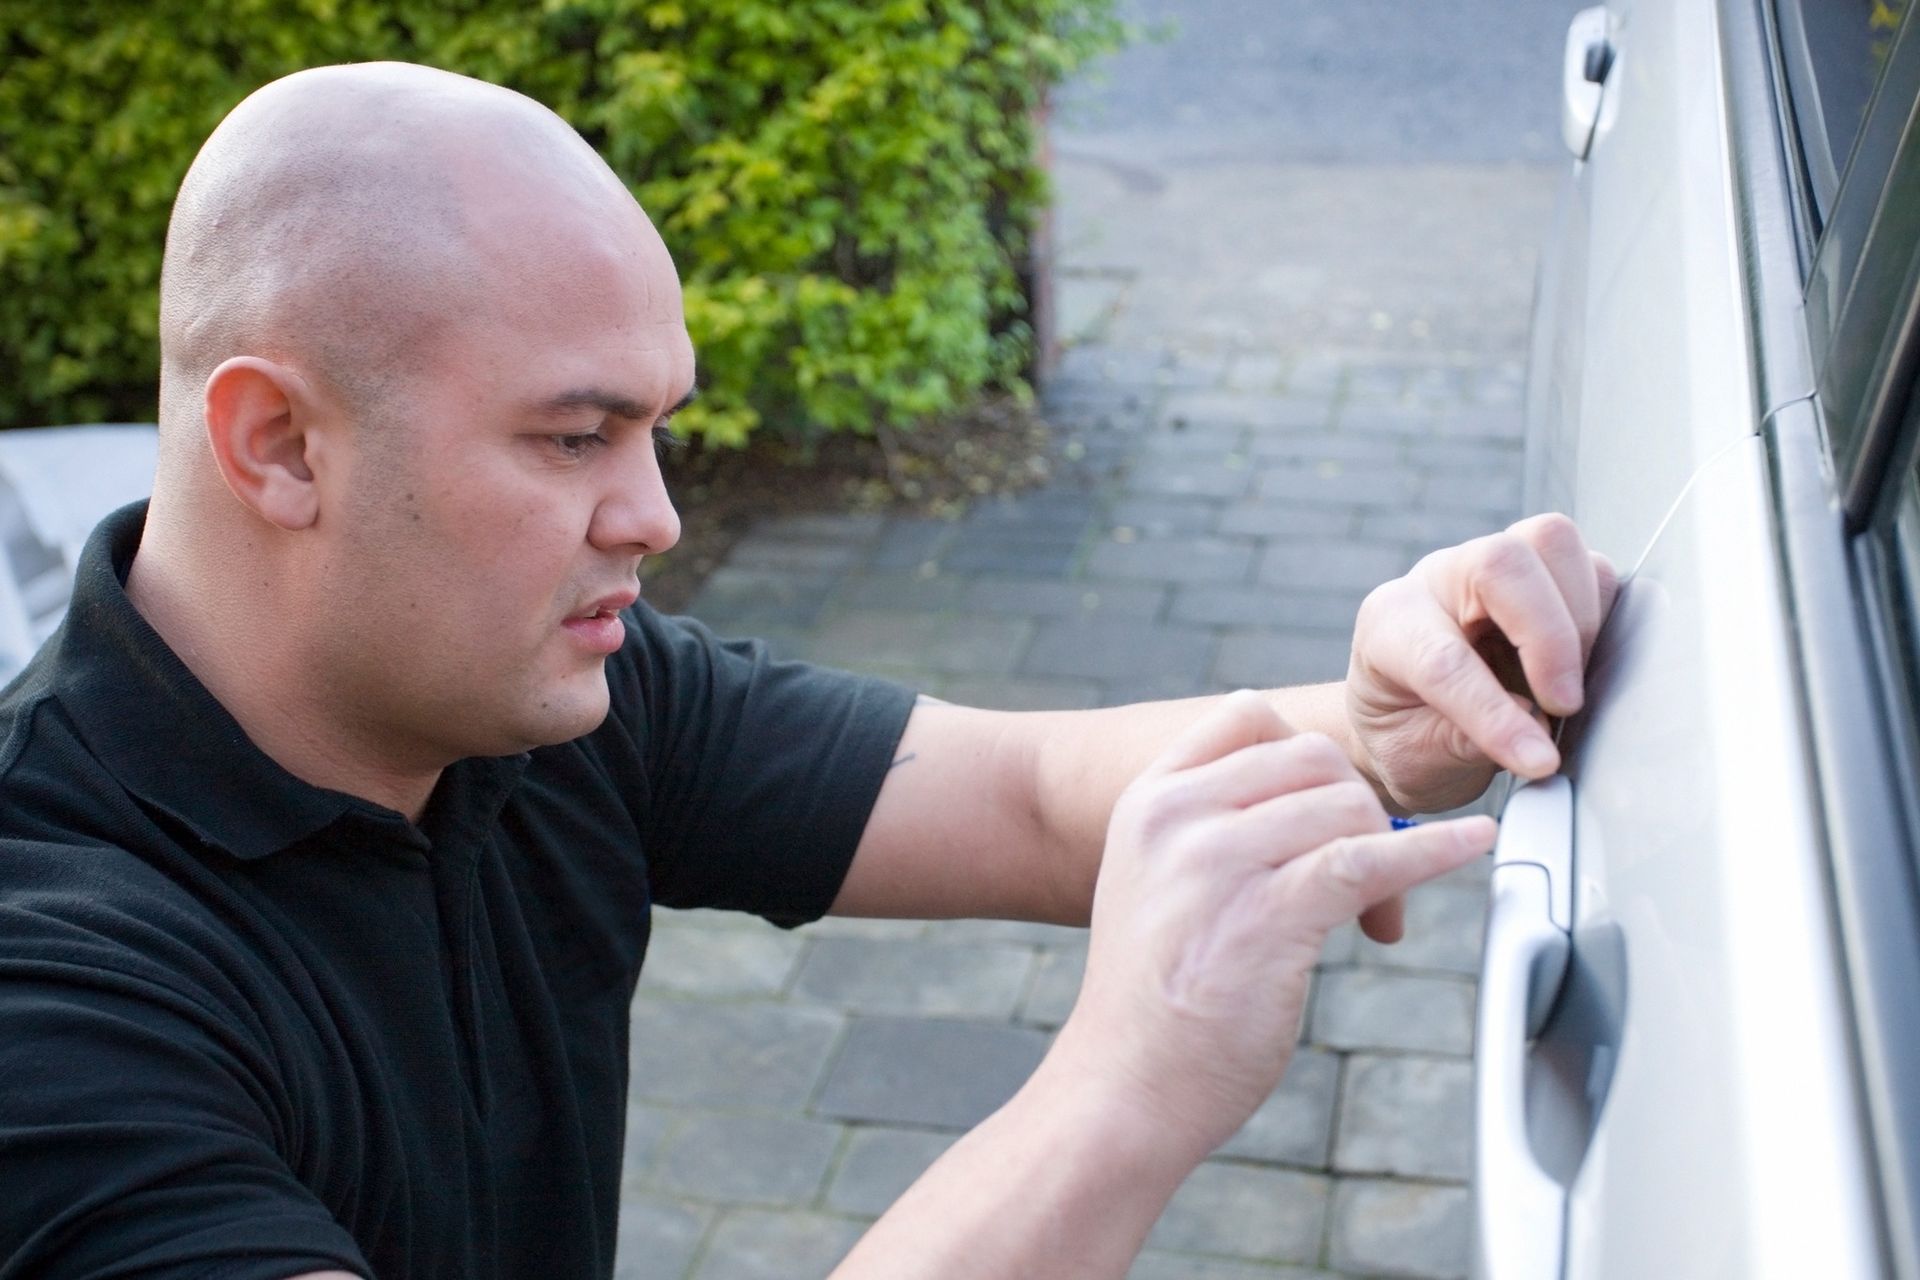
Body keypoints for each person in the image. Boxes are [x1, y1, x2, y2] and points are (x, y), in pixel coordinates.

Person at [0, 62, 1616, 1280]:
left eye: (656, 428)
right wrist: (1121, 1092)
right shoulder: (52, 1005)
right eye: (575, 437)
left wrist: (1394, 730)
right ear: (278, 445)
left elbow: (1043, 804)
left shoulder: (550, 705)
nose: (655, 515)